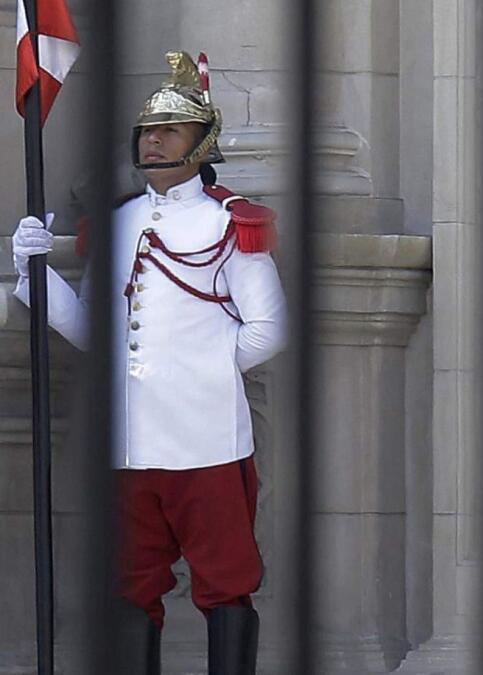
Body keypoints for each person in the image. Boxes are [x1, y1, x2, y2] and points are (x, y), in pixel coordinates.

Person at [10, 51, 286, 674]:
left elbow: (267, 329)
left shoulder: (228, 224)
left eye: (170, 130)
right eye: (147, 130)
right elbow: (89, 328)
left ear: (202, 141)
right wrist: (36, 272)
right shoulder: (117, 224)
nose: (153, 140)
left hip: (206, 437)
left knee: (226, 583)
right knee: (130, 586)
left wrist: (204, 372)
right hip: (129, 443)